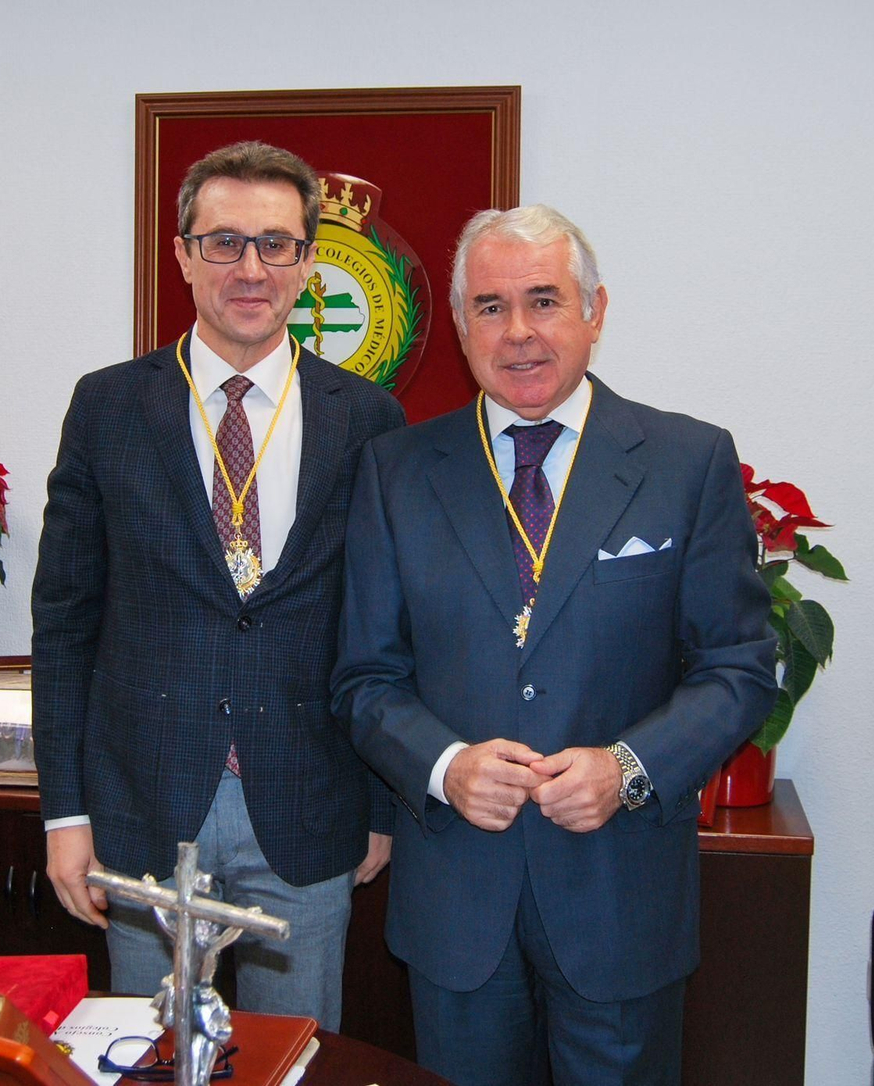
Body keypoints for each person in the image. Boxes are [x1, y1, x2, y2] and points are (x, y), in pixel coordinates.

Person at [331, 204, 777, 1084]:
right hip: (458, 905)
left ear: (596, 312)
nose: (520, 332)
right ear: (461, 327)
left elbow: (738, 666)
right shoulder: (397, 472)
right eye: (491, 307)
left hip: (620, 899)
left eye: (545, 299)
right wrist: (445, 764)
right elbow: (365, 678)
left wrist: (630, 767)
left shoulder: (686, 462)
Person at [32, 140, 405, 1030]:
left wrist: (384, 806)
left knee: (293, 1058)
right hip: (142, 805)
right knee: (149, 1058)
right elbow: (64, 622)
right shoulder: (108, 406)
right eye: (224, 242)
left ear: (309, 261)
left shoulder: (369, 419)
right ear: (183, 254)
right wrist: (63, 816)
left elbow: (390, 627)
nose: (251, 268)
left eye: (276, 243)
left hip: (309, 802)